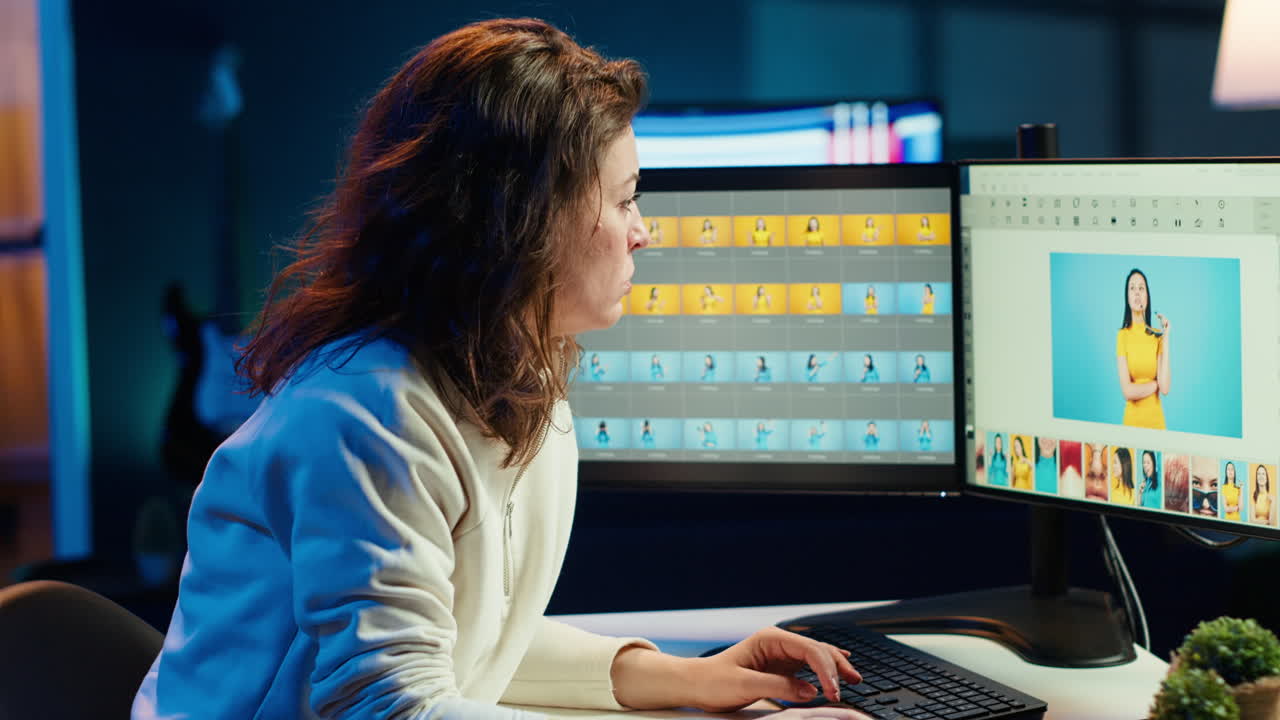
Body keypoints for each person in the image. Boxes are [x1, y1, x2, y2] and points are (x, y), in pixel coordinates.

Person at [133, 18, 862, 720]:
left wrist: (692, 677)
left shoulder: (522, 380)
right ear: (523, 219)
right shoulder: (365, 413)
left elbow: (465, 637)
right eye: (624, 199)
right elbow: (389, 705)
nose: (643, 232)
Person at [1116, 268, 1171, 429]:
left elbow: (1165, 387)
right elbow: (1127, 392)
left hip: (1156, 422)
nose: (1137, 293)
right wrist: (1155, 385)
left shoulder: (1157, 336)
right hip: (1132, 422)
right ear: (1127, 297)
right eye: (1132, 288)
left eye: (1141, 288)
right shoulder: (1122, 336)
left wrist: (1166, 338)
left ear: (1147, 296)